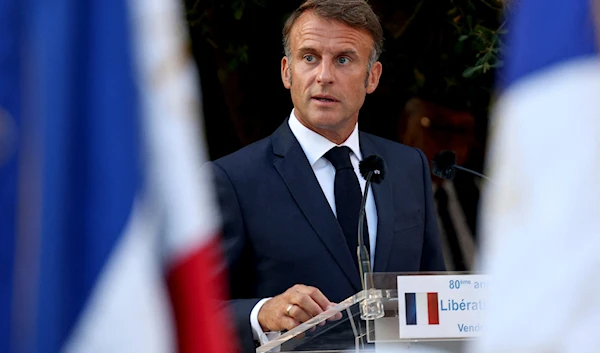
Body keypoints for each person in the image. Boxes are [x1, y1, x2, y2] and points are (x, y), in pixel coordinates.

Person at [208, 1, 446, 351]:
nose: (323, 75)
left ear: (373, 77)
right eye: (309, 57)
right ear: (287, 71)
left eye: (343, 59)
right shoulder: (232, 179)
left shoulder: (407, 165)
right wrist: (261, 314)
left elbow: (432, 291)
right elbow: (195, 313)